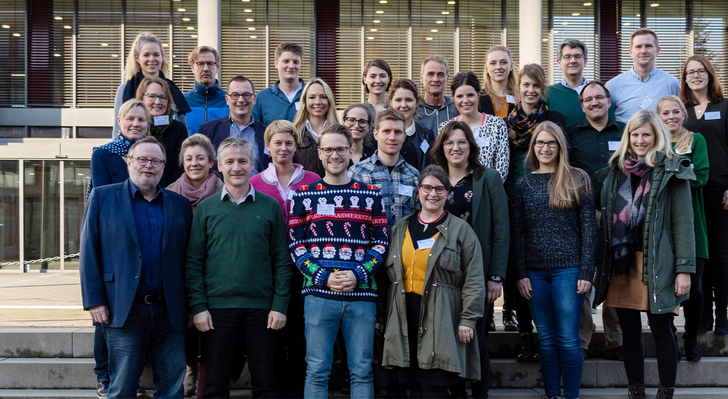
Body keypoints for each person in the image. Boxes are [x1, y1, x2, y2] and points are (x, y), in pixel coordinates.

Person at [80, 136, 193, 399]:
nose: (148, 166)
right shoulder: (103, 197)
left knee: (172, 390)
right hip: (123, 308)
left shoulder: (179, 205)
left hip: (170, 310)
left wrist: (191, 305)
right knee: (121, 389)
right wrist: (94, 301)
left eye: (156, 161)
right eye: (142, 159)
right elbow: (89, 252)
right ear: (128, 162)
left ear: (164, 166)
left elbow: (188, 258)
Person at [594, 110, 695, 399]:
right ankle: (635, 390)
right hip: (623, 262)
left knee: (662, 329)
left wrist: (684, 269)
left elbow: (683, 223)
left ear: (656, 137)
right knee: (629, 332)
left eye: (646, 135)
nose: (640, 140)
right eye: (635, 134)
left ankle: (666, 392)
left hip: (658, 261)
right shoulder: (615, 171)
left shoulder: (672, 170)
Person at [185, 137, 292, 398]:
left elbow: (281, 260)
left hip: (262, 310)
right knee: (215, 385)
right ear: (219, 166)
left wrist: (279, 305)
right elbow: (194, 262)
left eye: (242, 161)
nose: (236, 167)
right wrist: (198, 307)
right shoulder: (206, 209)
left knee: (266, 382)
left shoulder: (269, 206)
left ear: (253, 164)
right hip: (216, 310)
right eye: (230, 161)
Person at [288, 124, 388, 398]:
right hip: (319, 295)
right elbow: (296, 245)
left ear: (350, 152)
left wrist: (358, 274)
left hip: (362, 296)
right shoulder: (303, 195)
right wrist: (322, 277)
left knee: (362, 370)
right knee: (317, 371)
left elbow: (381, 242)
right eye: (329, 149)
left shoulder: (371, 195)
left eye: (341, 149)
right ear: (319, 153)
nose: (335, 155)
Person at [380, 164, 485, 398]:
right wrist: (383, 318)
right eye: (427, 188)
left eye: (439, 189)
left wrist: (468, 320)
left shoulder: (461, 230)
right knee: (414, 387)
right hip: (405, 317)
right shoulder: (400, 228)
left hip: (442, 319)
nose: (433, 194)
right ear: (418, 192)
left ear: (448, 194)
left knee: (434, 386)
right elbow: (388, 279)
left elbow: (474, 279)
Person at [514, 121, 597, 399]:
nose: (545, 148)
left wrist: (586, 271)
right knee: (546, 340)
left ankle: (571, 395)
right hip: (534, 273)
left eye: (551, 143)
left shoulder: (578, 179)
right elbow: (518, 232)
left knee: (568, 338)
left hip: (569, 270)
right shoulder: (523, 183)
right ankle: (551, 395)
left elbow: (589, 230)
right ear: (533, 147)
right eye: (540, 143)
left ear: (560, 146)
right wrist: (520, 273)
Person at [429, 121, 509, 398]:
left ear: (471, 146)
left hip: (477, 274)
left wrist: (495, 277)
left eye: (461, 142)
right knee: (447, 339)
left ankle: (479, 394)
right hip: (441, 276)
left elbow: (501, 229)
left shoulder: (487, 178)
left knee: (475, 341)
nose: (455, 147)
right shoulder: (434, 182)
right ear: (442, 147)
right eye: (449, 142)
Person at [249, 120, 320, 397]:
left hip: (305, 270)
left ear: (296, 146)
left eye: (289, 143)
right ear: (267, 148)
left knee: (300, 336)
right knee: (272, 335)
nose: (283, 148)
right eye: (277, 143)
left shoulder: (313, 181)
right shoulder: (255, 183)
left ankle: (298, 390)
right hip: (268, 271)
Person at [505, 64, 566, 358]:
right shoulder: (508, 121)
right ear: (518, 86)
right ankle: (526, 336)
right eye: (526, 85)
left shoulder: (553, 118)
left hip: (549, 198)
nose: (530, 91)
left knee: (544, 275)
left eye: (536, 86)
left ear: (543, 89)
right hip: (516, 198)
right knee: (520, 270)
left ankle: (548, 338)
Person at [566, 80, 626, 360]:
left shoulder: (626, 132)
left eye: (599, 97)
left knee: (616, 275)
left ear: (609, 100)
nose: (594, 103)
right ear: (582, 105)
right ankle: (581, 342)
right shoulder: (572, 135)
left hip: (620, 213)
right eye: (587, 99)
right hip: (584, 213)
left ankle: (617, 341)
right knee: (583, 275)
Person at [164, 133, 222, 396]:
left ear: (212, 162)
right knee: (186, 329)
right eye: (189, 158)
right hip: (180, 274)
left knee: (213, 333)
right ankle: (189, 370)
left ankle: (209, 380)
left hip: (216, 274)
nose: (194, 163)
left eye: (200, 158)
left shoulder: (224, 192)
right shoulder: (168, 195)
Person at [657, 95, 709, 361]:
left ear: (683, 114)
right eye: (665, 113)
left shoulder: (696, 141)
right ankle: (670, 339)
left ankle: (691, 339)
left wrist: (671, 175)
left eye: (675, 112)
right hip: (662, 224)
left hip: (691, 221)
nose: (671, 117)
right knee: (666, 287)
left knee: (695, 288)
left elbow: (700, 177)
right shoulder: (654, 144)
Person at [680, 54, 728, 336]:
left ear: (710, 74)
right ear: (684, 80)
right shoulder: (682, 111)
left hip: (720, 187)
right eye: (689, 73)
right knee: (700, 254)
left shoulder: (724, 106)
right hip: (691, 187)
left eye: (700, 71)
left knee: (721, 253)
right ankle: (703, 316)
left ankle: (722, 314)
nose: (695, 76)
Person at [350, 109, 420, 228]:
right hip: (369, 244)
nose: (392, 137)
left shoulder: (413, 175)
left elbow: (419, 217)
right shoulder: (356, 173)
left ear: (404, 136)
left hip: (403, 245)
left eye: (397, 132)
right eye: (386, 131)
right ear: (375, 134)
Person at [112, 32, 190, 139]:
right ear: (137, 58)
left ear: (162, 57)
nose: (152, 59)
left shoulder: (173, 90)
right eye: (146, 55)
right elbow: (117, 131)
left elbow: (183, 132)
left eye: (156, 55)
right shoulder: (124, 90)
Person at [438, 71, 509, 182]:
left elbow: (502, 167)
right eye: (460, 96)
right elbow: (442, 165)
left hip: (487, 193)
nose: (465, 101)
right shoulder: (445, 128)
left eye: (470, 95)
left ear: (479, 95)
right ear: (454, 98)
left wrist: (485, 191)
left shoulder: (497, 125)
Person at [605, 28, 680, 124]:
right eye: (638, 47)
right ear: (630, 52)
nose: (643, 51)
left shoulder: (671, 83)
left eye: (648, 46)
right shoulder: (612, 86)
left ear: (657, 50)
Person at [198, 76, 268, 176]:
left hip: (257, 190)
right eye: (235, 95)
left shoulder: (267, 133)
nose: (241, 100)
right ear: (227, 99)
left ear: (254, 98)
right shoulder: (207, 130)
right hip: (220, 190)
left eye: (246, 95)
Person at [546, 39, 616, 126]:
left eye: (578, 56)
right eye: (567, 57)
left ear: (585, 61)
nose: (573, 61)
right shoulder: (548, 93)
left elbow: (612, 128)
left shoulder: (599, 94)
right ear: (559, 62)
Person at [136, 77, 186, 186]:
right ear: (141, 99)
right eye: (152, 97)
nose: (158, 102)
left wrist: (167, 193)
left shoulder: (178, 129)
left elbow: (179, 167)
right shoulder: (136, 128)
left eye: (163, 97)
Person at [292, 78, 339, 176]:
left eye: (323, 97)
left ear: (329, 100)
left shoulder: (340, 134)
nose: (317, 102)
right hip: (304, 190)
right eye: (312, 97)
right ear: (304, 101)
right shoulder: (294, 134)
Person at [253, 43, 306, 125]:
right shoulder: (262, 97)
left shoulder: (311, 95)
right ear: (276, 63)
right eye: (286, 61)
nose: (291, 66)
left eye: (295, 62)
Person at [389, 79, 436, 171]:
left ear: (417, 102)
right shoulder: (381, 133)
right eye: (398, 100)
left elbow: (432, 168)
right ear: (391, 102)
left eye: (409, 100)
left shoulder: (426, 134)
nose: (403, 105)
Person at [184, 46, 229, 135]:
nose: (205, 69)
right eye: (200, 64)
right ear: (193, 68)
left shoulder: (228, 100)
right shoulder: (182, 101)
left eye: (210, 63)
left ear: (217, 67)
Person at [417, 56, 459, 133]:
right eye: (430, 74)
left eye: (440, 75)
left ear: (447, 79)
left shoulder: (457, 109)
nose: (435, 79)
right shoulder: (414, 110)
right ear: (421, 78)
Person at [479, 45, 518, 119]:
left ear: (511, 66)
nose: (498, 67)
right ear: (486, 68)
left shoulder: (521, 98)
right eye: (493, 63)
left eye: (503, 62)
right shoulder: (478, 99)